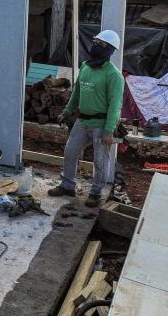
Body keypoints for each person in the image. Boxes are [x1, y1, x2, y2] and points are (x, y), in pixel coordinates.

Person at [48, 29, 125, 208]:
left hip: (101, 124)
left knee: (100, 161)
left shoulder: (114, 75)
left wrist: (108, 130)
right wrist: (67, 112)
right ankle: (67, 186)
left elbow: (115, 105)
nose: (96, 46)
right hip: (82, 121)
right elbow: (76, 93)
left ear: (110, 50)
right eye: (95, 42)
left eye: (101, 45)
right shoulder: (85, 66)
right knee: (70, 151)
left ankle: (96, 193)